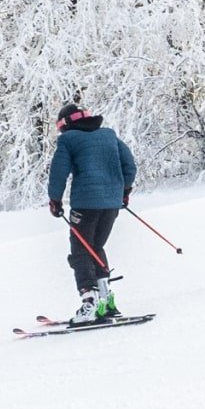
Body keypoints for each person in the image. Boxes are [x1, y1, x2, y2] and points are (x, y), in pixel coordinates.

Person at [47, 105, 136, 324]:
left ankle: (90, 303)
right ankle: (106, 300)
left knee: (80, 251)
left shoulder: (68, 140)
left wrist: (55, 200)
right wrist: (124, 191)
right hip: (112, 203)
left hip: (85, 205)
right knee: (95, 247)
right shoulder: (109, 135)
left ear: (65, 124)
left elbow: (58, 172)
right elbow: (130, 166)